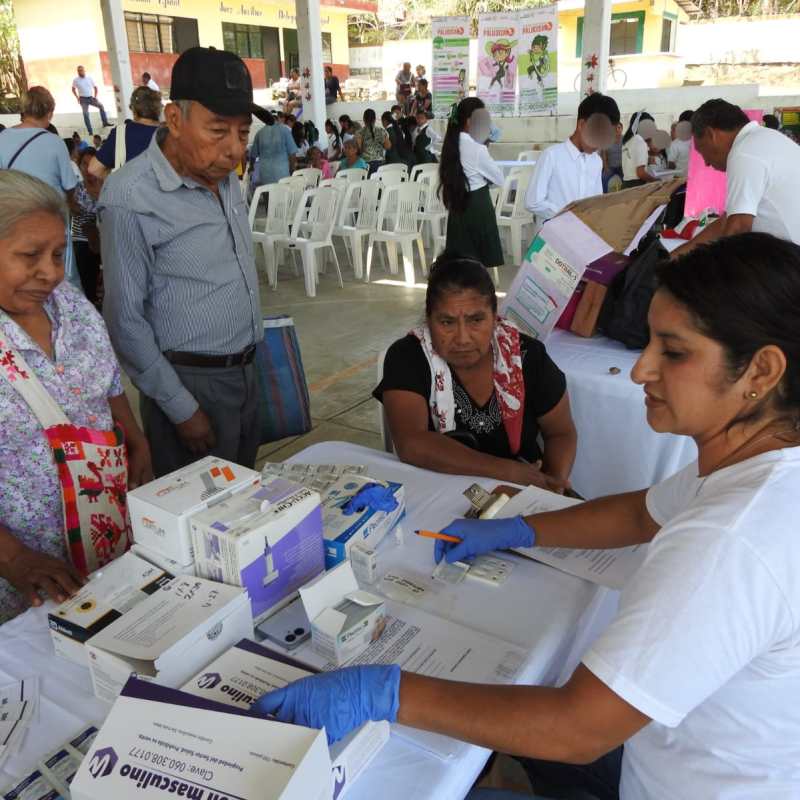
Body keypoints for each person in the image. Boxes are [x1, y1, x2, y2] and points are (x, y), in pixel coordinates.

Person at [254, 232, 800, 800]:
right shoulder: (757, 468)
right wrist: (519, 529)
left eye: (673, 350)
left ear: (760, 373)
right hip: (667, 742)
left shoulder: (728, 541)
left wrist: (385, 694)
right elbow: (641, 513)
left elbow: (577, 728)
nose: (641, 370)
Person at [97, 46, 263, 478]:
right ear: (174, 119)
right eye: (217, 131)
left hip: (246, 372)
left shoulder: (224, 180)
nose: (233, 150)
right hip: (190, 385)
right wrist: (180, 407)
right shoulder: (130, 197)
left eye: (243, 134)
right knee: (198, 520)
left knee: (243, 507)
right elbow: (124, 320)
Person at [0, 170, 151, 624]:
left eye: (58, 253)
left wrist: (135, 439)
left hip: (103, 541)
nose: (50, 272)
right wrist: (14, 559)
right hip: (24, 578)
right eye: (30, 256)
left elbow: (106, 385)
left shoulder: (70, 305)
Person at [375, 254, 575, 490]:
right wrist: (507, 471)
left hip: (523, 491)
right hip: (436, 493)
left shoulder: (527, 356)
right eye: (447, 322)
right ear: (428, 320)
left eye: (476, 320)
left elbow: (560, 433)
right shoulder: (408, 356)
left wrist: (550, 485)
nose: (462, 338)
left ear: (494, 317)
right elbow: (412, 443)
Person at [674, 98, 800, 255]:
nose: (706, 163)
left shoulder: (744, 153)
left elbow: (738, 229)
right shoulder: (765, 138)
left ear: (710, 134)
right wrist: (677, 256)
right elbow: (727, 221)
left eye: (702, 151)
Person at [0, 87, 80, 287]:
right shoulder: (54, 143)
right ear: (50, 112)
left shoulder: (2, 139)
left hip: (12, 220)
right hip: (51, 220)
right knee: (61, 277)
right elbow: (70, 186)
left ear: (24, 109)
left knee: (21, 275)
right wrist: (73, 206)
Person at [525, 93, 619, 221]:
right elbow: (533, 202)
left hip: (582, 234)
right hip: (553, 236)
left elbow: (597, 201)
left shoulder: (596, 161)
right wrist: (569, 216)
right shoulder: (552, 156)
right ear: (582, 125)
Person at [439, 97, 504, 269]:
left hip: (457, 205)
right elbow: (499, 179)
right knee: (479, 264)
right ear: (469, 122)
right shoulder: (477, 148)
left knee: (461, 263)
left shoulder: (450, 143)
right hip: (477, 205)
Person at [89, 86, 162, 180]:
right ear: (158, 108)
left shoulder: (120, 133)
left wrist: (116, 178)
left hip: (130, 192)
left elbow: (94, 169)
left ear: (133, 109)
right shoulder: (170, 133)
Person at [71, 147, 103, 306]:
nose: (88, 169)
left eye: (92, 164)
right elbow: (74, 211)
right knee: (85, 270)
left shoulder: (107, 187)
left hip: (103, 239)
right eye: (84, 164)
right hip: (81, 239)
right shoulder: (75, 188)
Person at [249, 108, 298, 186]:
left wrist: (251, 167)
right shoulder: (285, 131)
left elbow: (253, 155)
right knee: (283, 197)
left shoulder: (259, 133)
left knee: (268, 196)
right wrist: (292, 169)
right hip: (282, 174)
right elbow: (292, 153)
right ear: (277, 118)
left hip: (265, 175)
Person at [620, 111, 659, 188]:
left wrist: (647, 160)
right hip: (636, 186)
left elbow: (630, 163)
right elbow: (640, 173)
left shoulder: (628, 140)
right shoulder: (639, 140)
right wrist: (656, 181)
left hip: (626, 184)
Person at [71, 65, 109, 136]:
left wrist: (95, 96)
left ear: (84, 70)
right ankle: (90, 131)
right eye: (78, 71)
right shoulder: (76, 80)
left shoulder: (89, 78)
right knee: (85, 114)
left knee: (101, 106)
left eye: (81, 70)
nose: (80, 72)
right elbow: (73, 89)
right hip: (83, 99)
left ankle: (105, 122)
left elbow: (95, 88)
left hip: (91, 98)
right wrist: (77, 97)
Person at [356, 109, 390, 175]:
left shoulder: (359, 133)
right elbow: (388, 146)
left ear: (364, 119)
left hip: (365, 165)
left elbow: (359, 149)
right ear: (375, 119)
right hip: (380, 164)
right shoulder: (381, 131)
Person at [667, 110, 693, 177]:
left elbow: (671, 164)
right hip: (683, 180)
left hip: (681, 179)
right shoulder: (702, 141)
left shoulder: (676, 143)